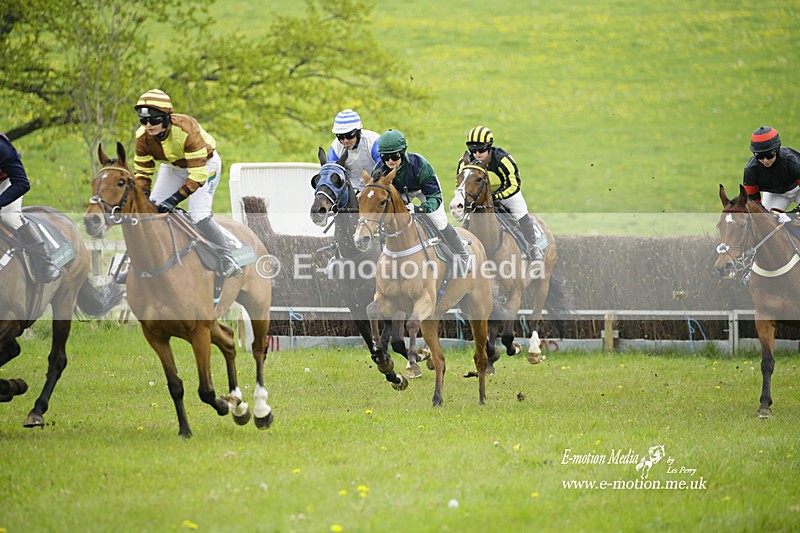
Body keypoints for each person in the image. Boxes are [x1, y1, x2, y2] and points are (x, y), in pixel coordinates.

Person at [133, 89, 241, 278]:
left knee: (198, 213)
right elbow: (142, 173)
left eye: (154, 120)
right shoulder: (142, 137)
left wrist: (174, 199)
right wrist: (143, 199)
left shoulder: (186, 129)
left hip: (205, 164)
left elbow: (198, 175)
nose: (148, 125)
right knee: (152, 211)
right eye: (144, 121)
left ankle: (228, 257)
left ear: (167, 118)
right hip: (173, 166)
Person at [372, 129, 471, 275]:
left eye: (394, 156)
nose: (390, 161)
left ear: (403, 152)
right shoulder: (380, 169)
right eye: (385, 157)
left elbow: (434, 197)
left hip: (424, 190)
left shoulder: (420, 165)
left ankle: (462, 255)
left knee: (440, 221)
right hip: (400, 194)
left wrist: (419, 209)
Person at [457, 125, 543, 261]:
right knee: (467, 219)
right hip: (480, 197)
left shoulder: (503, 159)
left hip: (506, 193)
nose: (477, 153)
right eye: (472, 149)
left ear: (489, 146)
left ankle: (533, 247)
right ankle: (461, 249)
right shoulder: (465, 162)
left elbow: (514, 184)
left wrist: (496, 197)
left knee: (520, 212)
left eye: (481, 149)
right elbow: (461, 184)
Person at [0, 133, 60, 282]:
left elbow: (22, 183)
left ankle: (44, 262)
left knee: (9, 216)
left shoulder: (2, 148)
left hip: (7, 183)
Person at [742, 126, 800, 215]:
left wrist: (791, 215)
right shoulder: (750, 170)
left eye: (769, 155)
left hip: (798, 189)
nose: (765, 161)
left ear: (777, 151)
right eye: (759, 156)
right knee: (765, 223)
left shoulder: (791, 161)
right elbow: (753, 202)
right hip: (775, 194)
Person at [327, 109, 381, 192]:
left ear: (358, 132)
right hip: (351, 191)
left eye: (349, 136)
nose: (345, 141)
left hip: (375, 188)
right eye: (340, 137)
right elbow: (331, 173)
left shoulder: (373, 142)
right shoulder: (335, 147)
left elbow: (383, 168)